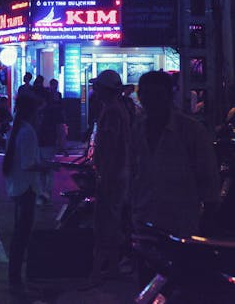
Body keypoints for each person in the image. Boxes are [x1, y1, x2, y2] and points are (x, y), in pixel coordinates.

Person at [129, 71, 220, 240]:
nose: (151, 100)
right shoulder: (137, 129)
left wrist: (209, 215)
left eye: (157, 95)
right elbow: (134, 171)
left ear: (169, 95)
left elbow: (208, 176)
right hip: (143, 217)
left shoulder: (190, 130)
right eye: (146, 94)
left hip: (180, 222)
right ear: (140, 96)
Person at [2, 92, 52, 293]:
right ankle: (16, 278)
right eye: (39, 113)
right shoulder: (28, 132)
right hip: (26, 189)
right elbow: (28, 164)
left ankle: (16, 275)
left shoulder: (18, 129)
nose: (40, 118)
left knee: (20, 234)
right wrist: (47, 166)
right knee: (22, 235)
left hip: (18, 186)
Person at [88, 69, 131, 281]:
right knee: (110, 219)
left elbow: (111, 146)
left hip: (112, 174)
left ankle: (103, 269)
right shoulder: (115, 108)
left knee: (106, 221)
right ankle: (111, 267)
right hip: (115, 173)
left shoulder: (113, 111)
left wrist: (104, 174)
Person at [36, 78, 66, 205]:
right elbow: (59, 126)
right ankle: (43, 193)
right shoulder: (45, 110)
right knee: (44, 168)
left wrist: (61, 142)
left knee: (44, 168)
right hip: (45, 141)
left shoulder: (41, 111)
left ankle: (44, 194)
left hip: (46, 141)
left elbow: (59, 126)